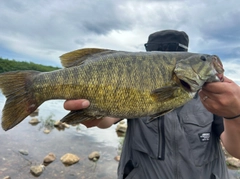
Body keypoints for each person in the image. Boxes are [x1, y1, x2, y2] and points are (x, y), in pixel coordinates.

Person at [64, 30, 240, 178]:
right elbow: (105, 121)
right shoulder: (133, 83)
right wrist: (92, 115)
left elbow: (237, 151)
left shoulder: (215, 100)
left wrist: (235, 114)